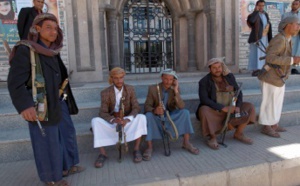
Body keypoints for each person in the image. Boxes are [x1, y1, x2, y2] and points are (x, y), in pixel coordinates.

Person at [7, 13, 84, 186]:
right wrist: (25, 106)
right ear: (37, 29)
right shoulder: (26, 50)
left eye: (55, 28)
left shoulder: (52, 52)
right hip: (40, 105)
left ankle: (66, 167)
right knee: (46, 142)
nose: (53, 31)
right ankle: (52, 179)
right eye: (48, 27)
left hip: (58, 102)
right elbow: (14, 83)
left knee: (66, 134)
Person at [91, 67, 147, 168]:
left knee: (141, 117)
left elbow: (136, 107)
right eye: (116, 78)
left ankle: (136, 149)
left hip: (126, 122)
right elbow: (102, 112)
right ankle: (103, 153)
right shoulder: (105, 92)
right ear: (111, 79)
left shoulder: (130, 89)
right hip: (114, 123)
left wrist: (127, 119)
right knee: (95, 121)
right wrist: (113, 120)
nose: (119, 80)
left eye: (121, 77)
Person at [196, 58, 256, 150]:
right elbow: (204, 100)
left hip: (232, 109)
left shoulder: (229, 77)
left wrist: (238, 106)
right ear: (210, 69)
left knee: (250, 107)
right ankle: (212, 138)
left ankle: (238, 133)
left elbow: (238, 93)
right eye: (214, 68)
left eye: (219, 67)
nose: (217, 69)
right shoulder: (204, 81)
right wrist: (223, 108)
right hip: (216, 111)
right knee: (203, 110)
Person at [143, 69, 199, 160]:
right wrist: (155, 110)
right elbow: (146, 107)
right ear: (161, 78)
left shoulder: (174, 89)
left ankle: (186, 142)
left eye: (171, 79)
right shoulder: (153, 88)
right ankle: (149, 147)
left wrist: (176, 90)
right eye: (166, 79)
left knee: (185, 113)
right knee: (148, 116)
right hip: (157, 116)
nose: (168, 82)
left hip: (170, 116)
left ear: (174, 80)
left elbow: (181, 106)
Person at [258, 16, 300, 138]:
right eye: (296, 24)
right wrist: (292, 60)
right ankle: (266, 127)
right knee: (269, 102)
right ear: (287, 25)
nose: (298, 27)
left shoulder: (288, 38)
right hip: (271, 77)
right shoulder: (280, 39)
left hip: (279, 77)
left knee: (276, 102)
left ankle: (274, 124)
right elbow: (270, 58)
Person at [247, 0, 272, 76]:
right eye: (259, 5)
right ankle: (255, 69)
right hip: (256, 38)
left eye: (262, 5)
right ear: (256, 6)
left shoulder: (265, 14)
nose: (261, 7)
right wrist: (256, 12)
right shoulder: (253, 15)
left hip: (264, 37)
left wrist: (270, 38)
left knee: (263, 54)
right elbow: (252, 21)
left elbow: (268, 25)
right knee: (255, 54)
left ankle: (261, 69)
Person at [282, 0, 300, 74]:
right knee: (288, 51)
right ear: (291, 5)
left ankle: (294, 67)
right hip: (288, 36)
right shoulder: (286, 15)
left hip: (298, 37)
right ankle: (287, 67)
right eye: (293, 4)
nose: (295, 5)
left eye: (296, 4)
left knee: (297, 51)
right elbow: (282, 25)